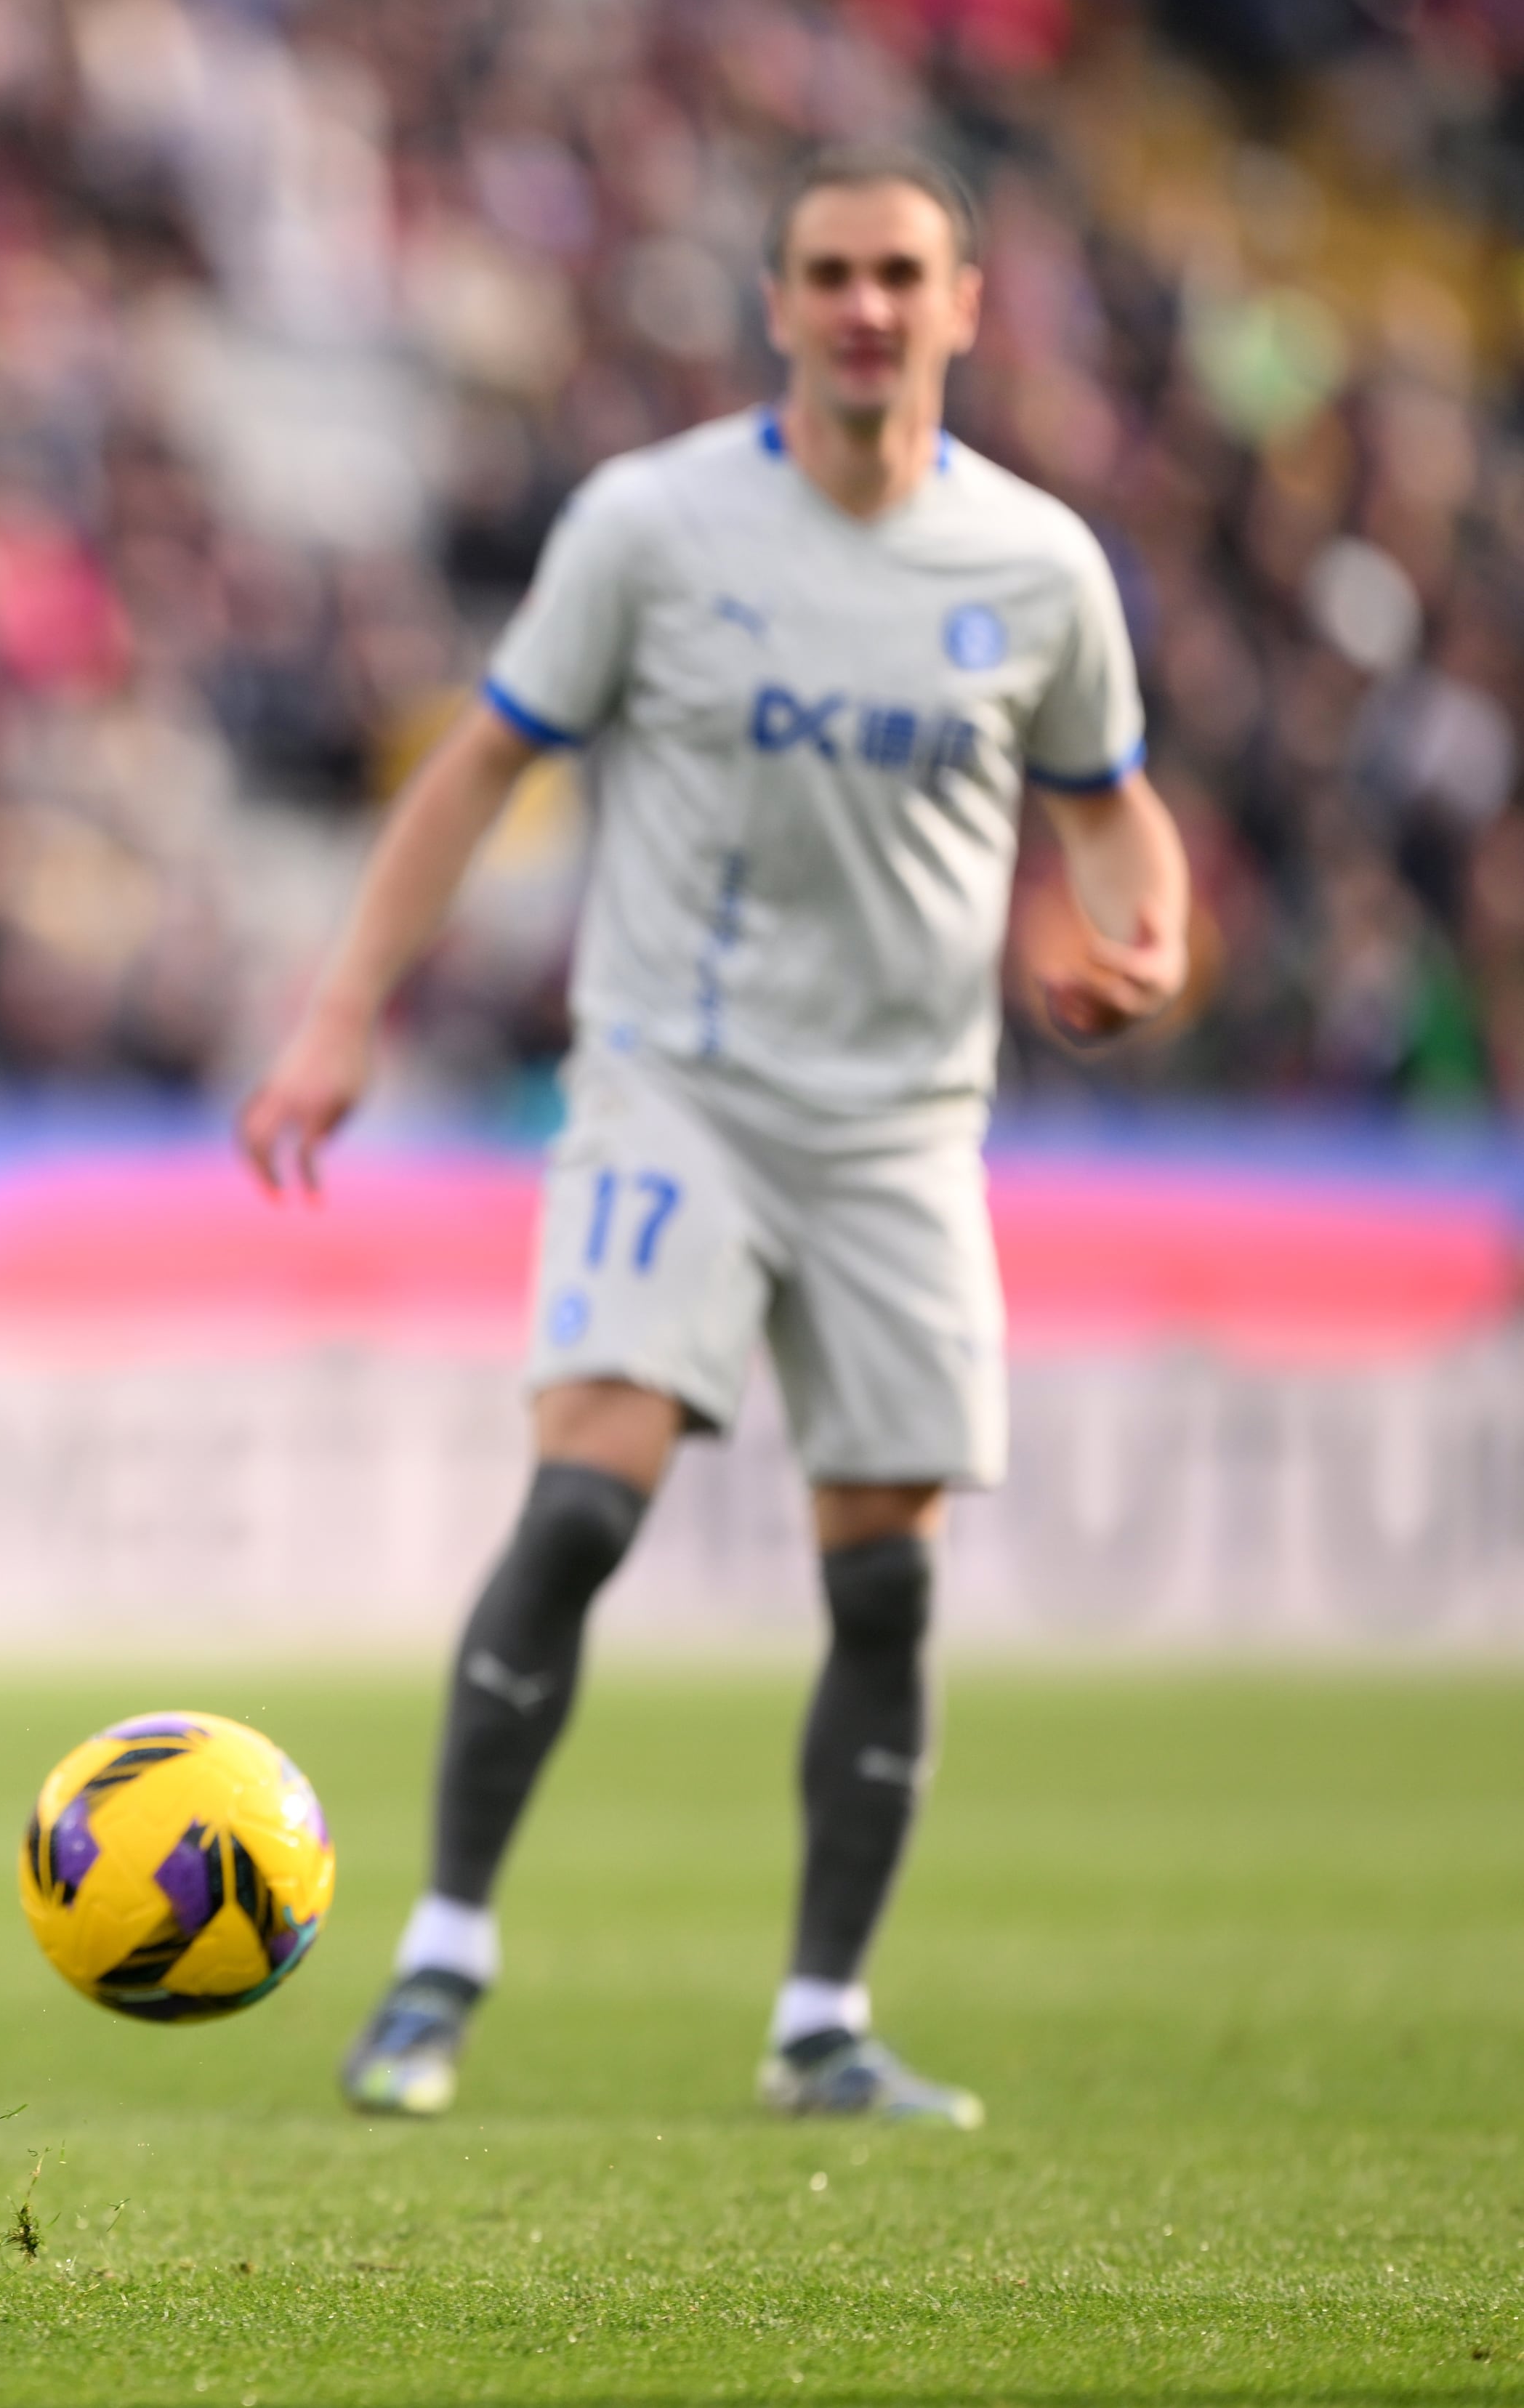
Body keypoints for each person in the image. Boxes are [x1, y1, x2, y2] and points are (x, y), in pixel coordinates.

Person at [238, 145, 1190, 2129]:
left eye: (899, 275)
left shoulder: (1036, 567)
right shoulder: (654, 523)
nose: (865, 306)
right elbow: (481, 763)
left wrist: (1149, 937)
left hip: (907, 1125)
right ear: (776, 304)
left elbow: (1110, 801)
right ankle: (437, 1962)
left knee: (888, 1584)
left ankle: (822, 2018)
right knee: (586, 1498)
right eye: (829, 273)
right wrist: (341, 1015)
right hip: (674, 1085)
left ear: (965, 306)